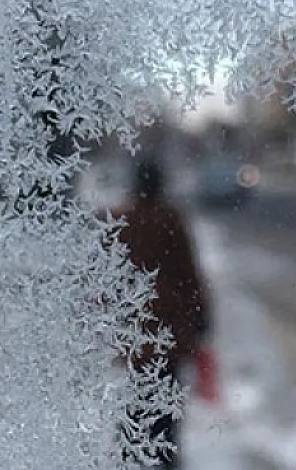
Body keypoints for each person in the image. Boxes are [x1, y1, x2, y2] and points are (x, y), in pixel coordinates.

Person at [110, 156, 210, 469]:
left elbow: (107, 278)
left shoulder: (121, 221)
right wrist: (200, 320)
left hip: (135, 336)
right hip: (168, 335)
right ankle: (162, 459)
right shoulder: (170, 220)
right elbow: (188, 275)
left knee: (136, 408)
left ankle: (132, 458)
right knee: (166, 413)